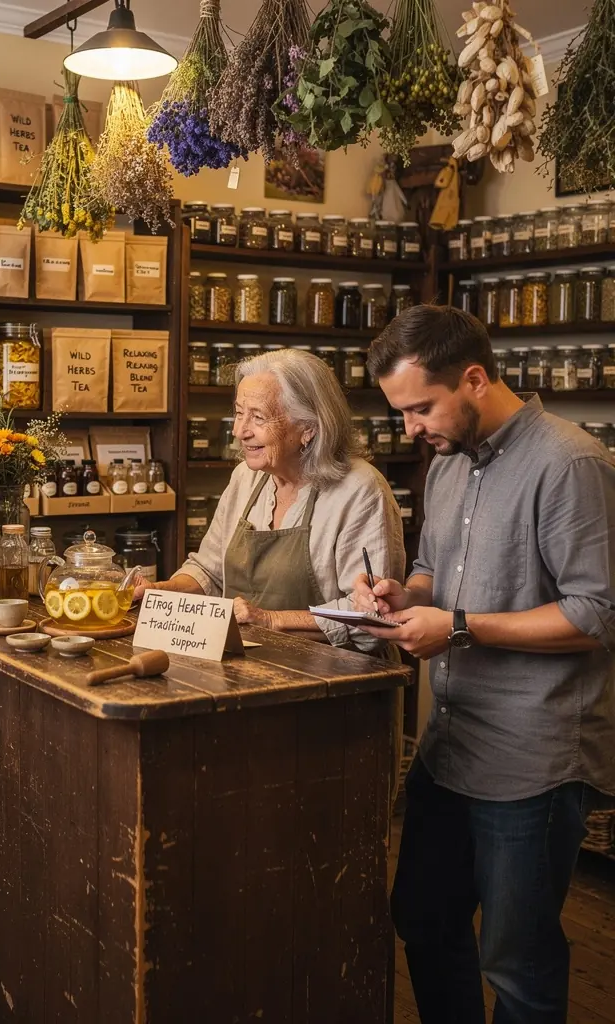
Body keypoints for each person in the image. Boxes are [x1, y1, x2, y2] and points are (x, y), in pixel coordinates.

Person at [356, 304, 615, 1024]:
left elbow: (597, 614)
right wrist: (399, 594)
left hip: (534, 759)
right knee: (423, 918)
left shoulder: (570, 462)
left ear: (474, 378)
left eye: (420, 408)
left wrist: (459, 628)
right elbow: (438, 570)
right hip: (453, 746)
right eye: (401, 412)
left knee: (518, 963)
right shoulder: (448, 464)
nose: (410, 427)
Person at [138, 347, 406, 652]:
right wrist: (160, 593)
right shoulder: (246, 477)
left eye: (258, 417)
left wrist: (271, 621)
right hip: (253, 673)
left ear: (308, 427)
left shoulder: (360, 489)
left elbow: (370, 616)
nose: (240, 431)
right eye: (239, 413)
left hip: (338, 682)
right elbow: (209, 572)